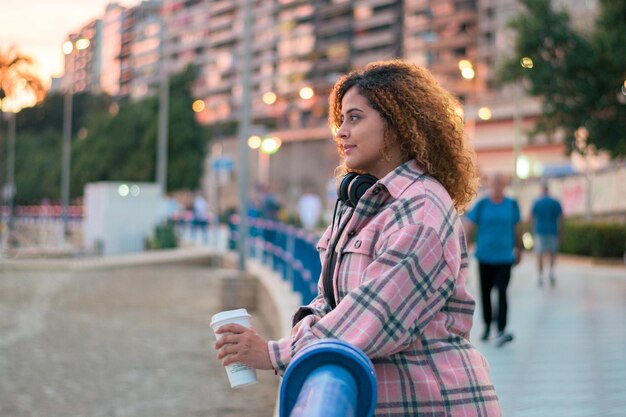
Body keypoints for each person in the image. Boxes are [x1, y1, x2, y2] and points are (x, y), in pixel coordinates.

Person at [215, 60, 500, 416]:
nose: (341, 132)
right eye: (341, 121)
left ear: (396, 126)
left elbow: (376, 314)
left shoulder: (422, 209)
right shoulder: (363, 203)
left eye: (355, 118)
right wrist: (305, 331)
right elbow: (330, 298)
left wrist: (275, 353)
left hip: (434, 400)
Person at [464, 173, 522, 347]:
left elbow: (517, 227)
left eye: (500, 183)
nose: (497, 186)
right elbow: (469, 225)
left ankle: (502, 328)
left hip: (504, 257)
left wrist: (519, 249)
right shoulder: (482, 205)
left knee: (502, 292)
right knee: (486, 293)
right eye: (494, 183)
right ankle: (488, 325)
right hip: (485, 257)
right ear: (489, 185)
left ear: (504, 185)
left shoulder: (512, 205)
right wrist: (464, 247)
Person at [530, 181, 563, 286]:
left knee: (539, 254)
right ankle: (551, 273)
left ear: (541, 189)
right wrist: (561, 231)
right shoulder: (555, 202)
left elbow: (531, 217)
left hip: (540, 231)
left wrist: (530, 230)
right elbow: (561, 217)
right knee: (552, 253)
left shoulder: (537, 202)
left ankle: (540, 276)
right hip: (552, 231)